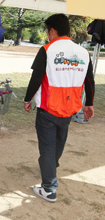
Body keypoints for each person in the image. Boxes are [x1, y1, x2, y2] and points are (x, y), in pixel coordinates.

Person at [23, 14, 95, 203]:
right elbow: (89, 81)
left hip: (48, 108)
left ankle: (49, 189)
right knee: (59, 143)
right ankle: (50, 166)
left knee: (47, 147)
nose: (47, 35)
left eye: (47, 31)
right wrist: (89, 104)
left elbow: (36, 78)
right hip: (70, 108)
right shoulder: (83, 53)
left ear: (52, 30)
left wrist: (27, 98)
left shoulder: (47, 49)